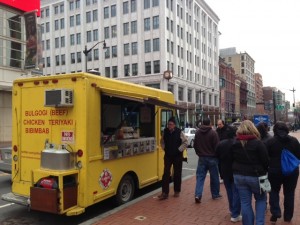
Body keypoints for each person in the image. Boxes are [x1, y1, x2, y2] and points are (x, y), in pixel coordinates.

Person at [231, 120, 269, 225]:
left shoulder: (235, 142)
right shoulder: (258, 143)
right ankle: (259, 223)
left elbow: (231, 158)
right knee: (261, 199)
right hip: (256, 176)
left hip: (239, 176)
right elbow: (266, 161)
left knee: (245, 202)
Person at [265, 121, 300, 223]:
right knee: (289, 193)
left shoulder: (270, 142)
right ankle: (288, 217)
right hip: (291, 171)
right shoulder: (294, 141)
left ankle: (275, 212)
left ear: (275, 130)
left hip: (274, 170)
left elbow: (266, 157)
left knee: (274, 191)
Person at [216, 126, 242, 223]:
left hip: (225, 171)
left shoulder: (221, 144)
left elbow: (216, 155)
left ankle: (232, 210)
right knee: (236, 192)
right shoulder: (238, 143)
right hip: (235, 170)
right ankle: (236, 213)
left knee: (229, 191)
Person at [158, 117, 188, 200]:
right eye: (168, 124)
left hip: (177, 156)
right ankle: (165, 192)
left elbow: (185, 142)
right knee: (166, 173)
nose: (169, 126)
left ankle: (177, 191)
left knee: (177, 173)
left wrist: (179, 150)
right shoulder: (165, 131)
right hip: (168, 155)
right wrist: (164, 148)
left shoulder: (179, 132)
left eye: (171, 124)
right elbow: (162, 141)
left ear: (174, 125)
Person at [193, 118, 221, 203]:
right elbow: (217, 146)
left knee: (200, 177)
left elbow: (195, 145)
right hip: (212, 158)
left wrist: (199, 153)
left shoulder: (197, 132)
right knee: (214, 177)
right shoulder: (213, 133)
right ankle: (215, 194)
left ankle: (198, 194)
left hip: (202, 158)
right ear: (210, 123)